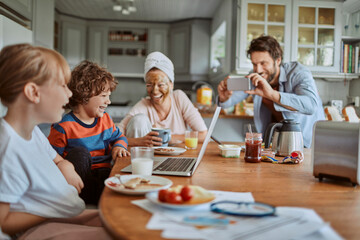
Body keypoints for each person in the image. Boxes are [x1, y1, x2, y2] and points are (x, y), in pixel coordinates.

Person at [0, 44, 111, 239]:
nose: (69, 94)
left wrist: (66, 165)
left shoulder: (32, 132)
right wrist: (50, 208)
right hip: (39, 229)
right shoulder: (7, 148)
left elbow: (56, 159)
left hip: (60, 214)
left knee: (125, 221)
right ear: (33, 93)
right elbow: (4, 223)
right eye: (62, 86)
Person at [217, 35, 325, 148]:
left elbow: (311, 105)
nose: (258, 70)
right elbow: (228, 102)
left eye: (263, 63)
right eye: (254, 64)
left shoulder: (298, 73)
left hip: (307, 145)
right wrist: (224, 98)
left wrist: (272, 94)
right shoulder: (256, 77)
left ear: (278, 60)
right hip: (275, 145)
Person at [48, 60, 129, 205]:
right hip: (78, 181)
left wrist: (119, 146)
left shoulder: (105, 120)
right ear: (85, 95)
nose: (108, 101)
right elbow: (51, 160)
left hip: (104, 175)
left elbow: (120, 137)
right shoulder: (63, 126)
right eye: (104, 96)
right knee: (81, 154)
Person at [118, 51, 208, 147]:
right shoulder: (143, 105)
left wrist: (169, 137)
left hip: (178, 159)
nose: (155, 91)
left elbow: (203, 134)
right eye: (149, 85)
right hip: (150, 158)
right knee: (139, 120)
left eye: (161, 85)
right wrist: (140, 141)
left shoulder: (179, 98)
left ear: (171, 85)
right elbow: (115, 136)